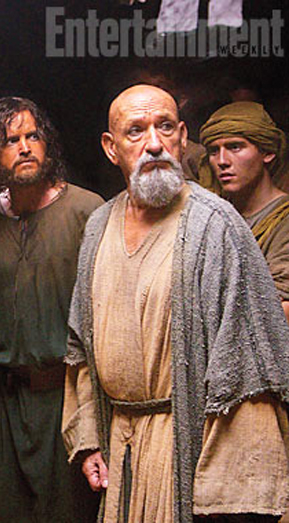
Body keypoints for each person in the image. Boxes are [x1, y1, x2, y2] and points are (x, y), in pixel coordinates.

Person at [62, 84, 289, 523]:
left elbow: (249, 368)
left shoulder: (216, 226)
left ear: (183, 138)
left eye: (165, 127)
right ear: (111, 148)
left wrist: (225, 497)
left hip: (187, 449)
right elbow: (81, 348)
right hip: (119, 447)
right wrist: (89, 437)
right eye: (136, 131)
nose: (154, 144)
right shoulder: (98, 226)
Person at [0, 97, 102, 522]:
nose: (24, 147)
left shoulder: (86, 211)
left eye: (33, 136)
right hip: (10, 401)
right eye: (10, 140)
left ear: (47, 143)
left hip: (69, 398)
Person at [198, 101, 289, 322]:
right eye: (214, 151)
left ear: (267, 152)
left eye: (235, 147)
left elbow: (280, 310)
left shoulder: (283, 220)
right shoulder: (210, 216)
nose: (222, 161)